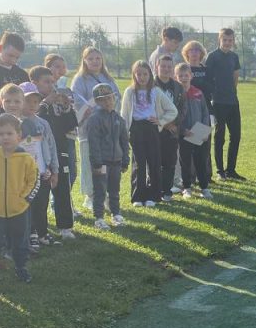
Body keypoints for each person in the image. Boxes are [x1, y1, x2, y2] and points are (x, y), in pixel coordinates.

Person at [0, 113, 40, 285]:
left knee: (20, 242)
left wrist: (24, 199)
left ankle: (21, 267)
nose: (5, 137)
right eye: (0, 134)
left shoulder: (26, 159)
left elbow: (34, 180)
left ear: (18, 135)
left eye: (9, 133)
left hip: (19, 210)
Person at [120, 60, 177, 207]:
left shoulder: (156, 91)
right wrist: (124, 134)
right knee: (139, 163)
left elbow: (172, 110)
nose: (142, 77)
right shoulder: (129, 92)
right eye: (138, 74)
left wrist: (161, 121)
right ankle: (138, 196)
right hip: (136, 129)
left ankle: (153, 195)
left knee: (154, 162)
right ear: (134, 75)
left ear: (150, 75)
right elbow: (124, 115)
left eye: (145, 74)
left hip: (151, 128)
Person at [30, 65, 77, 240]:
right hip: (39, 154)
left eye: (52, 82)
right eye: (46, 82)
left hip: (59, 150)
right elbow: (36, 121)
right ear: (35, 83)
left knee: (63, 188)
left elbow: (71, 124)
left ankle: (65, 227)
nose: (51, 85)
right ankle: (38, 228)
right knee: (39, 192)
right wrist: (45, 103)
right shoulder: (32, 102)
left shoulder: (57, 102)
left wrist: (66, 107)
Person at [71, 47, 121, 212]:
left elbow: (117, 97)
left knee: (105, 163)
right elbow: (77, 101)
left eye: (98, 58)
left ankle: (104, 195)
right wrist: (93, 106)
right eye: (90, 58)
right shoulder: (79, 79)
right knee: (89, 162)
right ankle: (90, 196)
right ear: (84, 60)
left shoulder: (108, 78)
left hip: (107, 129)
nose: (94, 61)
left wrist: (109, 107)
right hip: (89, 129)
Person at [12, 83, 59, 248]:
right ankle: (31, 233)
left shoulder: (43, 124)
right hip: (23, 174)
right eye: (27, 101)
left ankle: (42, 233)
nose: (32, 105)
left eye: (35, 101)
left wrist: (54, 170)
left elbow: (52, 147)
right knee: (28, 204)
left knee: (42, 203)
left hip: (43, 171)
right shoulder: (15, 123)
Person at [86, 83, 129, 230]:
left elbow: (124, 141)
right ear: (97, 102)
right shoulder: (94, 119)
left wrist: (125, 160)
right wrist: (97, 163)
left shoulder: (119, 119)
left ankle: (116, 214)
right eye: (103, 99)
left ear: (114, 98)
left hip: (116, 161)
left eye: (110, 98)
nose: (108, 102)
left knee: (114, 190)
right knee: (100, 190)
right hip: (102, 163)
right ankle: (99, 218)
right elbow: (94, 143)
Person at [205, 28, 243, 181]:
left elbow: (235, 77)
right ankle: (220, 171)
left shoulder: (234, 56)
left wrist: (231, 92)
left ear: (233, 41)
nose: (227, 43)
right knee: (220, 137)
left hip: (232, 101)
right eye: (225, 40)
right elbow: (207, 79)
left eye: (230, 40)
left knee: (236, 136)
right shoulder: (212, 56)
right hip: (218, 102)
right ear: (219, 40)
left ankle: (231, 170)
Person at [174, 63, 212, 199]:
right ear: (176, 77)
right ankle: (187, 188)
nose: (184, 78)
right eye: (180, 76)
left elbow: (205, 112)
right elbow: (174, 116)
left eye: (186, 75)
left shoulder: (198, 92)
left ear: (191, 76)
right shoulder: (176, 95)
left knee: (200, 161)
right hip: (184, 134)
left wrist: (204, 131)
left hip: (199, 133)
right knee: (185, 162)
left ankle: (204, 188)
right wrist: (183, 130)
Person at [153, 54, 184, 201]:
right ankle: (154, 190)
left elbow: (182, 109)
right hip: (155, 130)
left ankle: (166, 191)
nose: (166, 69)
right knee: (154, 162)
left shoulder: (178, 86)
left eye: (169, 67)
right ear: (156, 67)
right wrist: (164, 123)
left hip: (172, 131)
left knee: (170, 162)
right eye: (163, 66)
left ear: (172, 69)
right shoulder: (150, 85)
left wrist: (174, 124)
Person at [0, 32, 29, 113]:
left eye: (17, 57)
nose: (13, 60)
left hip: (19, 118)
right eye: (10, 55)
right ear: (0, 48)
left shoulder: (22, 74)